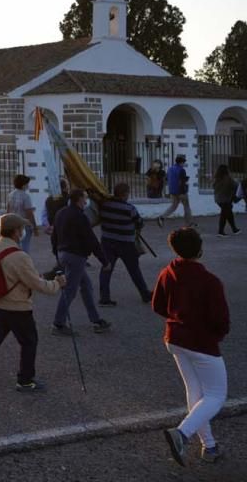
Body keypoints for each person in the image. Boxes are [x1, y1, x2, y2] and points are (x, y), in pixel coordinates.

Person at [0, 215, 64, 394]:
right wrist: (57, 284)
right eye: (21, 229)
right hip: (17, 307)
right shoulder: (19, 256)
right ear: (16, 231)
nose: (23, 232)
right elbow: (37, 284)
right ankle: (25, 380)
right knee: (29, 341)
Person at [155, 227, 230, 466]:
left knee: (195, 392)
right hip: (200, 342)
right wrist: (215, 335)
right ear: (200, 249)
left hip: (174, 338)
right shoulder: (210, 281)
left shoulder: (167, 272)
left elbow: (158, 305)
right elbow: (221, 320)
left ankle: (209, 446)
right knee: (216, 395)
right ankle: (182, 433)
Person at [51, 189, 113, 336]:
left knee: (86, 286)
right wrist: (104, 261)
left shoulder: (61, 213)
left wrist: (57, 255)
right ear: (79, 199)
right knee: (70, 291)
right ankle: (58, 324)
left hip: (63, 253)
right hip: (76, 256)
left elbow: (54, 236)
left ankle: (96, 320)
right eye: (85, 197)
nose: (87, 200)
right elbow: (91, 240)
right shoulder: (80, 217)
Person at [97, 182, 152, 305]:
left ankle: (104, 298)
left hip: (107, 241)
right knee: (134, 270)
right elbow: (140, 223)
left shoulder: (104, 205)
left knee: (106, 268)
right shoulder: (129, 209)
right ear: (125, 194)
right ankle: (145, 294)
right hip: (126, 243)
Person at [158, 155, 193, 227]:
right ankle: (188, 223)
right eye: (183, 162)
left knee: (173, 206)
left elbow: (167, 179)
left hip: (172, 191)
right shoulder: (182, 170)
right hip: (181, 192)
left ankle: (162, 217)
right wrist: (184, 191)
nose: (184, 164)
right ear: (181, 162)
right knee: (186, 207)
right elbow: (182, 182)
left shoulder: (170, 169)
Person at [6, 175, 36, 252]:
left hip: (14, 224)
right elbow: (29, 213)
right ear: (23, 185)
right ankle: (24, 261)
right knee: (25, 245)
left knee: (15, 245)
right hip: (24, 224)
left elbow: (8, 210)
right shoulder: (25, 196)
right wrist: (34, 226)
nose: (28, 185)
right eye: (27, 184)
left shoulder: (10, 195)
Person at [212, 164, 240, 237]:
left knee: (227, 214)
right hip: (226, 200)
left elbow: (213, 187)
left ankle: (234, 229)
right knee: (226, 215)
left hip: (218, 200)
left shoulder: (217, 178)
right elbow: (235, 185)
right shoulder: (228, 178)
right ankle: (221, 232)